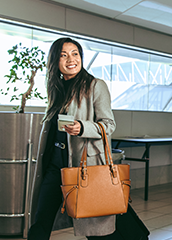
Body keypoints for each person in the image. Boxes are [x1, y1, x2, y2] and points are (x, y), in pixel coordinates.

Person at [28, 37, 120, 240]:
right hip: (55, 165)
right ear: (55, 61)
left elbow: (109, 125)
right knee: (41, 219)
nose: (71, 59)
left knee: (94, 225)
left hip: (83, 165)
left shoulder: (95, 85)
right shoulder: (57, 89)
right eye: (63, 55)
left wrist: (82, 128)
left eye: (75, 54)